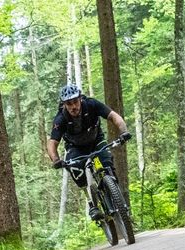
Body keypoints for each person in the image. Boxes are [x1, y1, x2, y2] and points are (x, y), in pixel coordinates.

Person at [46, 83, 131, 221]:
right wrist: (55, 159)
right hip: (75, 147)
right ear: (64, 105)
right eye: (69, 104)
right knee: (76, 170)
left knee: (106, 161)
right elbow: (52, 142)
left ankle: (115, 191)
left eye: (75, 101)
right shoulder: (60, 118)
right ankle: (92, 205)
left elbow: (114, 116)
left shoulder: (91, 104)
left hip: (96, 140)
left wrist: (124, 132)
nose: (73, 106)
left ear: (80, 99)